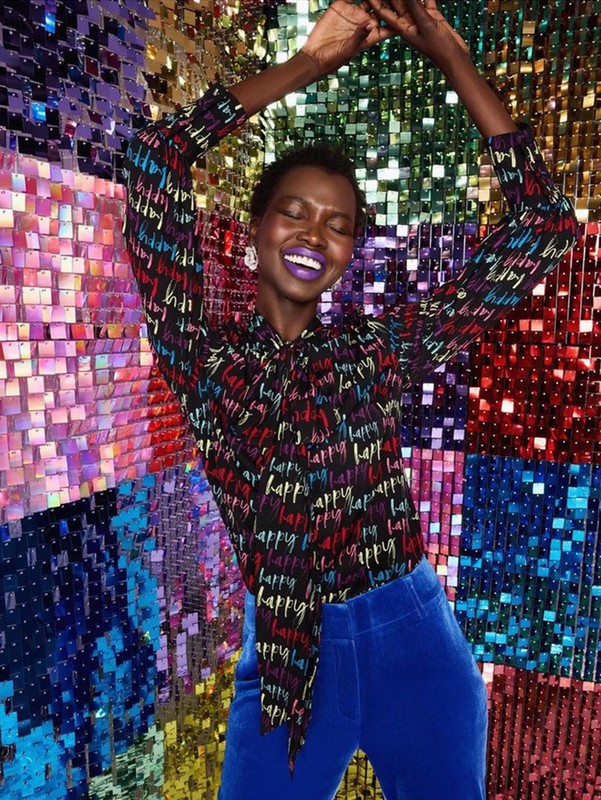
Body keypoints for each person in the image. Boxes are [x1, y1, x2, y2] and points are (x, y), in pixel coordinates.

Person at [123, 1, 579, 798]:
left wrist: (450, 56)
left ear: (348, 252)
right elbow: (155, 158)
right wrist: (306, 66)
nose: (312, 234)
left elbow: (542, 224)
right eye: (293, 212)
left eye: (336, 224)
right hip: (288, 660)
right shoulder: (203, 359)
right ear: (255, 229)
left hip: (415, 642)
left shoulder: (375, 351)